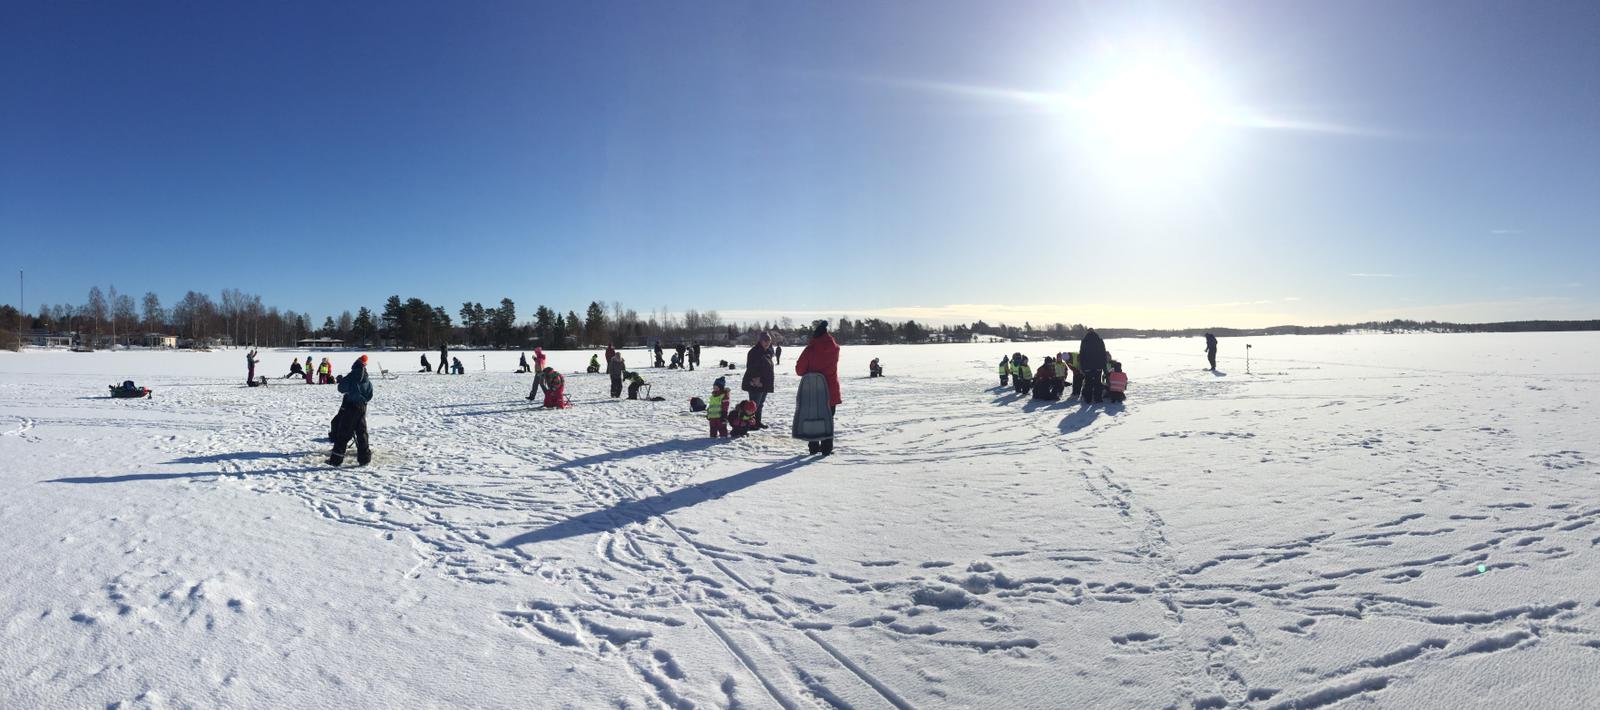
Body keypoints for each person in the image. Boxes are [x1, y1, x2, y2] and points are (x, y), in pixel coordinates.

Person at [794, 320, 841, 455]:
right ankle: (827, 448)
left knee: (812, 417)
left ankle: (813, 447)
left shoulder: (810, 350)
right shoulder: (835, 349)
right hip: (830, 391)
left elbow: (799, 370)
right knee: (828, 418)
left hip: (813, 391)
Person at [327, 355, 374, 467]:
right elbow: (370, 394)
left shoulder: (352, 376)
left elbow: (341, 388)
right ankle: (364, 458)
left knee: (344, 432)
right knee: (361, 432)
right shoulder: (367, 379)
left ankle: (336, 460)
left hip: (351, 407)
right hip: (362, 407)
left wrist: (350, 392)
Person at [742, 332, 775, 428]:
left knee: (760, 404)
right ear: (760, 341)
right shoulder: (754, 352)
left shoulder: (767, 352)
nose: (767, 343)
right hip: (755, 383)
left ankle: (757, 422)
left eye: (769, 341)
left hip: (764, 383)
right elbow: (751, 367)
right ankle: (750, 423)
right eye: (765, 341)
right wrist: (756, 380)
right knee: (753, 405)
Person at [1079, 328, 1108, 404]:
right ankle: (1098, 398)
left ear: (1088, 332)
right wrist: (1104, 366)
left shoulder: (1084, 341)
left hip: (1088, 366)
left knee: (1088, 382)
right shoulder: (1100, 341)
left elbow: (1081, 355)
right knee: (1097, 382)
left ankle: (1088, 399)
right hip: (1098, 366)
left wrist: (1082, 366)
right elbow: (1103, 354)